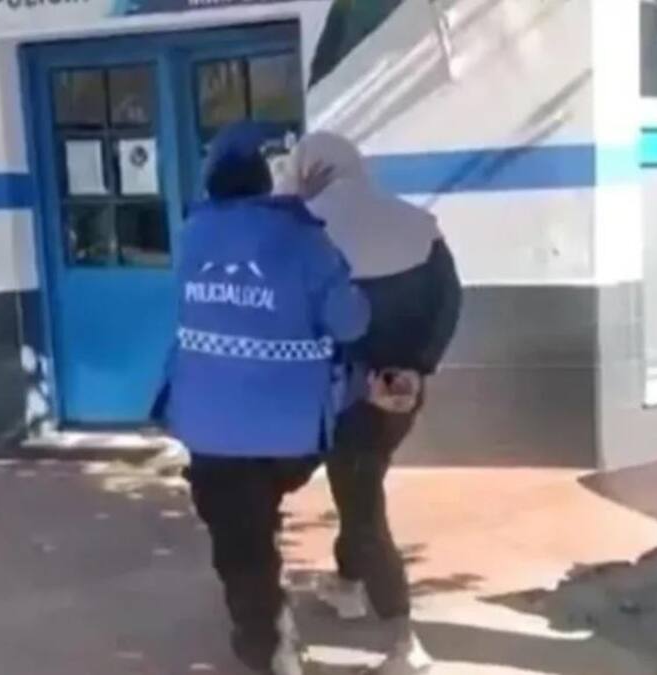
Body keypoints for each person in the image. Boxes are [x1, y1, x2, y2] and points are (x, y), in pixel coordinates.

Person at [153, 121, 369, 675]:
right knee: (258, 511)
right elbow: (349, 321)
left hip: (210, 424)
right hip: (289, 432)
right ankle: (271, 629)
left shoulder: (193, 234)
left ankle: (266, 643)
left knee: (240, 542)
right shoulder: (304, 238)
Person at [293, 132, 462, 675]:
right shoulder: (417, 225)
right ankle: (346, 585)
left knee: (362, 504)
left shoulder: (306, 230)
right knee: (359, 483)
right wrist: (419, 366)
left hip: (342, 391)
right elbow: (449, 302)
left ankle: (405, 642)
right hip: (403, 390)